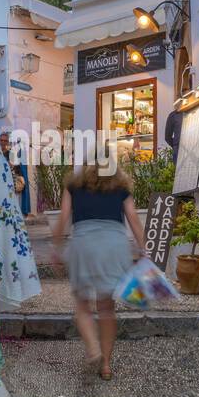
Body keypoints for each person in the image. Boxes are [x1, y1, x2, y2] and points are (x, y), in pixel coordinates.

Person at [51, 156, 145, 380]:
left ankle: (93, 348)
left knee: (83, 305)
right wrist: (144, 250)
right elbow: (133, 218)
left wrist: (56, 248)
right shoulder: (121, 188)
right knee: (106, 309)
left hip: (84, 245)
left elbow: (63, 218)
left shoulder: (73, 187)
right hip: (113, 246)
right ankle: (106, 365)